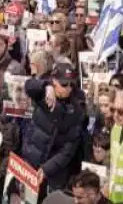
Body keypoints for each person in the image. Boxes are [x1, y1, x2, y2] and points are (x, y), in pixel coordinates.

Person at [22, 62, 87, 194]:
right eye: (64, 84)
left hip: (55, 172)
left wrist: (46, 169)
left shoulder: (77, 108)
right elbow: (28, 85)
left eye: (71, 84)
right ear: (54, 81)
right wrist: (46, 86)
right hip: (31, 161)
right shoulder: (43, 92)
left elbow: (68, 149)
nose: (68, 88)